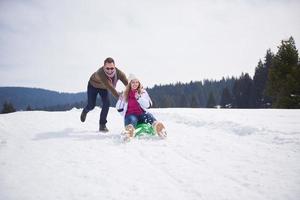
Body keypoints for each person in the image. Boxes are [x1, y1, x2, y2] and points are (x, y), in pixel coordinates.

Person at [80, 57, 128, 132]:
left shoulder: (119, 73)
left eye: (112, 68)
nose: (110, 70)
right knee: (91, 105)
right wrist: (120, 98)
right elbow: (110, 87)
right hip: (93, 85)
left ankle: (102, 125)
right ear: (104, 67)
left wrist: (136, 91)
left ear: (114, 67)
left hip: (104, 88)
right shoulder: (100, 73)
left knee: (106, 103)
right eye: (107, 68)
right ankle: (85, 111)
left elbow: (127, 83)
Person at [116, 74, 166, 139]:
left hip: (142, 114)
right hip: (131, 115)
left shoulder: (143, 92)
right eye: (133, 82)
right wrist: (120, 100)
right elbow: (119, 108)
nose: (135, 84)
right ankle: (129, 132)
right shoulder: (125, 93)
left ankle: (158, 127)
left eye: (137, 82)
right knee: (132, 120)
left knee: (149, 116)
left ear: (139, 83)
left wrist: (139, 98)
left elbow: (148, 105)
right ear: (129, 84)